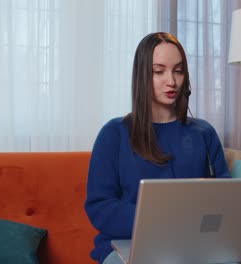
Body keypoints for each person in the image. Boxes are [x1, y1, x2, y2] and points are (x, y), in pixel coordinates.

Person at [84, 32, 231, 264]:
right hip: (130, 243)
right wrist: (163, 219)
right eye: (159, 71)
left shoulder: (204, 133)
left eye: (178, 70)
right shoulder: (114, 134)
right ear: (142, 75)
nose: (171, 81)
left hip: (193, 243)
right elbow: (100, 206)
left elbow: (227, 199)